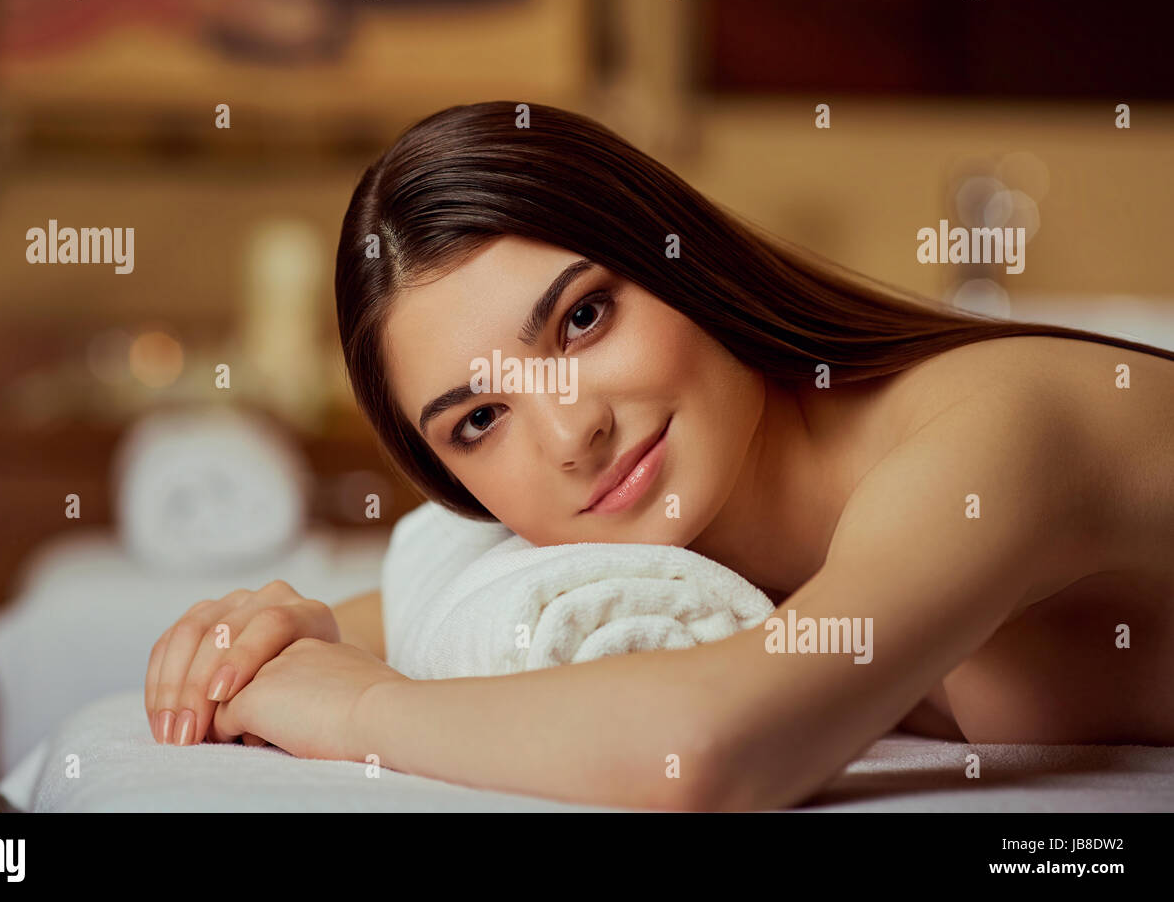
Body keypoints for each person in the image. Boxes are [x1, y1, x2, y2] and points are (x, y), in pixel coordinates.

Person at [144, 102, 1174, 811]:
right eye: (478, 421)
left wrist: (352, 706)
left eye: (583, 317)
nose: (568, 431)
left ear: (680, 259)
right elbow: (430, 603)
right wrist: (289, 627)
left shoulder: (991, 434)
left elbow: (711, 749)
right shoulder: (707, 529)